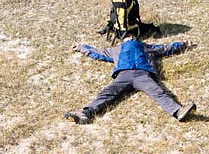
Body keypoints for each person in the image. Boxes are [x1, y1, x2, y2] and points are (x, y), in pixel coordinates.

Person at [65, 33, 197, 124]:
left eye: (132, 36)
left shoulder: (146, 46)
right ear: (123, 40)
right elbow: (98, 52)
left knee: (158, 92)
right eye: (127, 36)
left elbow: (166, 48)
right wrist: (81, 47)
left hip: (143, 75)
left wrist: (183, 44)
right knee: (107, 93)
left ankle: (178, 111)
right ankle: (86, 113)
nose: (130, 37)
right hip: (124, 75)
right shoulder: (116, 50)